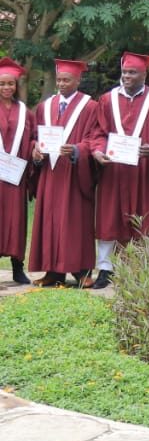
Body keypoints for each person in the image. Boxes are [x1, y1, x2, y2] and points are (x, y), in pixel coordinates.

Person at [90, 52, 149, 290]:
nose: (127, 77)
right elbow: (98, 133)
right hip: (113, 171)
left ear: (144, 74)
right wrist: (98, 151)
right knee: (109, 217)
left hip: (143, 170)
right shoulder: (107, 100)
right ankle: (105, 269)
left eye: (132, 72)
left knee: (145, 217)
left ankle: (145, 267)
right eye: (124, 72)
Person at [29, 59, 100, 287]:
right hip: (50, 173)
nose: (61, 84)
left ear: (78, 80)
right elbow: (34, 137)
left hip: (73, 172)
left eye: (66, 80)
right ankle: (53, 272)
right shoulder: (45, 107)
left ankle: (81, 272)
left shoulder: (90, 107)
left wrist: (78, 149)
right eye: (59, 79)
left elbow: (95, 138)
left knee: (75, 220)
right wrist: (35, 152)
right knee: (50, 219)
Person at [0, 58, 36, 285]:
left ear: (16, 85)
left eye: (10, 84)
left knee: (16, 220)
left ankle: (17, 267)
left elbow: (33, 139)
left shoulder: (25, 112)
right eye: (2, 84)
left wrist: (35, 150)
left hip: (15, 176)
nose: (6, 88)